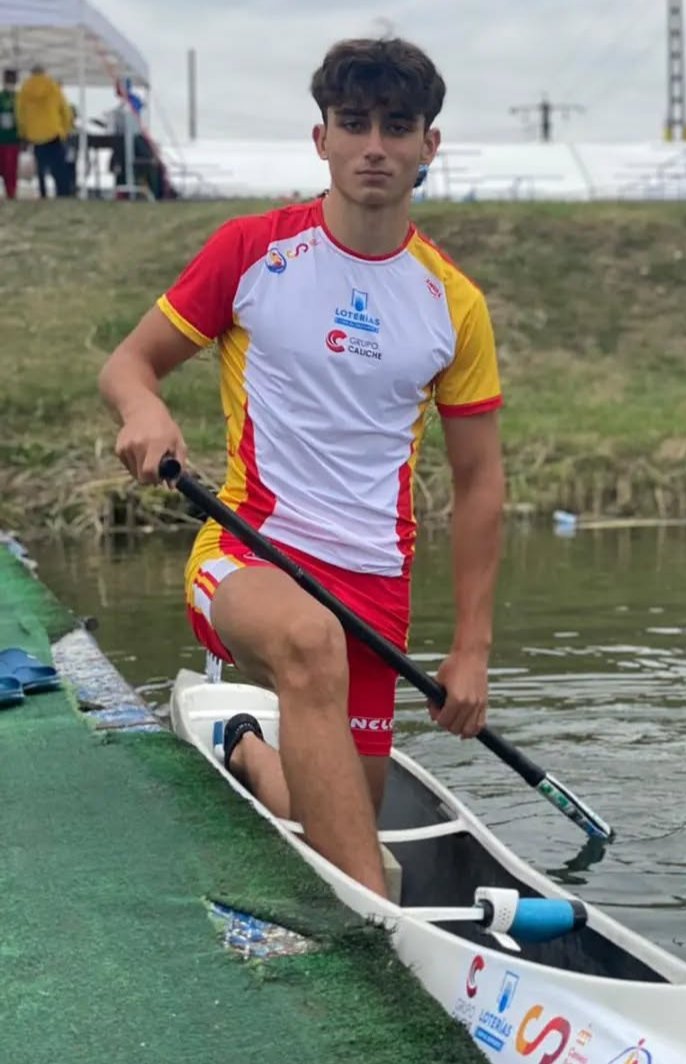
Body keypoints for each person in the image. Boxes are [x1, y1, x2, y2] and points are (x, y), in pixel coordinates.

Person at [98, 38, 505, 899]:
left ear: (429, 146)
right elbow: (127, 367)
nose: (374, 146)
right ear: (320, 138)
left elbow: (480, 486)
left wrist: (470, 652)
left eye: (398, 128)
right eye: (354, 124)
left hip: (375, 591)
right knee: (311, 647)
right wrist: (147, 410)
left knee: (327, 812)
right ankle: (379, 929)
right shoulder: (252, 251)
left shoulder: (453, 305)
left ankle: (245, 743)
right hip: (249, 554)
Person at [16, 63, 73, 197]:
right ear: (44, 72)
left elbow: (20, 114)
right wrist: (65, 130)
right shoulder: (53, 87)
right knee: (59, 167)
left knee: (40, 167)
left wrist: (23, 132)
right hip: (53, 132)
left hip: (34, 135)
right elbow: (65, 111)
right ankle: (63, 193)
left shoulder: (24, 89)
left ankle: (43, 193)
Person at [0, 69, 18, 199]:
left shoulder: (19, 98)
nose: (9, 82)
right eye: (8, 80)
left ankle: (11, 193)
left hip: (13, 139)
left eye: (12, 80)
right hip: (2, 138)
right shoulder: (1, 97)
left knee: (10, 169)